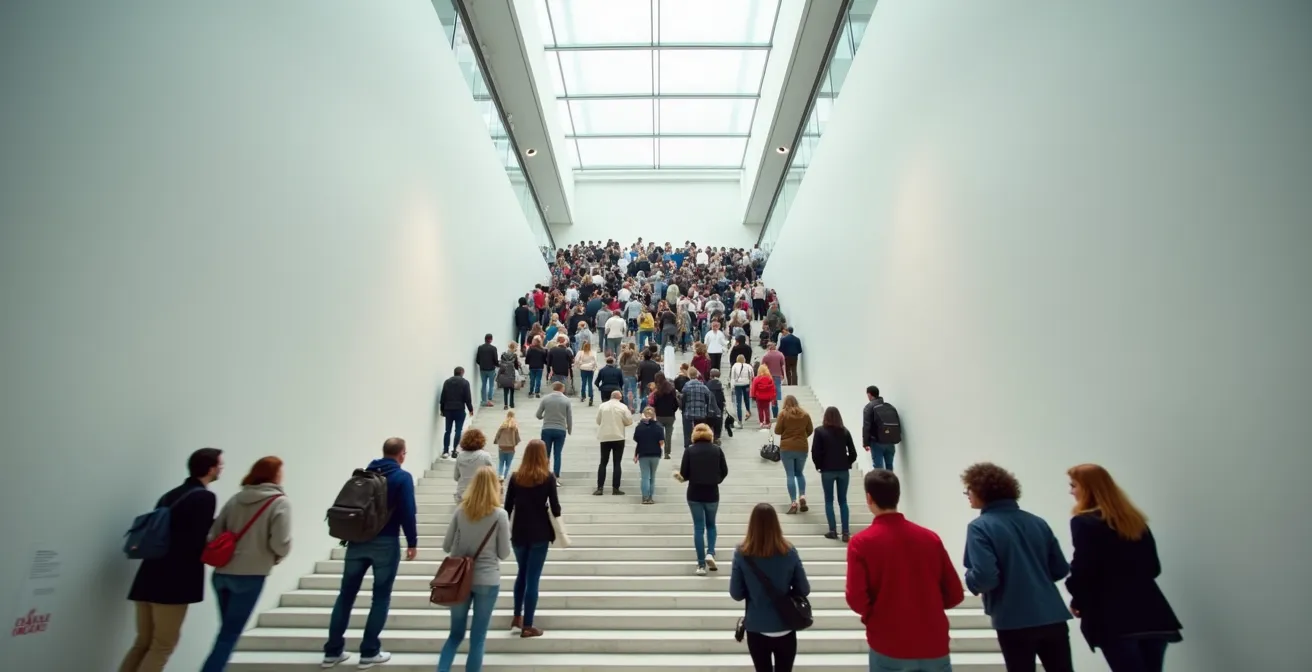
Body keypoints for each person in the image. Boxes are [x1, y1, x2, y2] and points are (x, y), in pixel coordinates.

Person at [1065, 464, 1182, 671]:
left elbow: (1084, 569)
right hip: (1153, 612)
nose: (1071, 491)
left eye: (1073, 485)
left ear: (1087, 488)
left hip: (1113, 617)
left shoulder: (1084, 522)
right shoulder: (1135, 521)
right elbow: (1153, 568)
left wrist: (1077, 599)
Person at [961, 463, 1074, 672]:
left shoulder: (980, 527)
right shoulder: (1037, 522)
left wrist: (970, 580)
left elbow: (986, 577)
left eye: (969, 489)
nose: (967, 494)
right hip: (1052, 614)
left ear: (982, 491)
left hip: (1013, 618)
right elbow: (1059, 568)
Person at [846, 470, 963, 671]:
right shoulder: (930, 538)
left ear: (869, 498)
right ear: (897, 496)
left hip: (889, 641)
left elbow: (856, 598)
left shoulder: (861, 543)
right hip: (933, 641)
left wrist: (876, 616)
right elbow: (954, 593)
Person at [120, 448, 222, 672]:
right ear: (211, 468)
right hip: (174, 580)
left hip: (148, 574)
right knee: (163, 645)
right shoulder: (205, 497)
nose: (221, 469)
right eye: (219, 465)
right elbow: (197, 539)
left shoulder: (171, 494)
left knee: (142, 643)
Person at [321, 438, 419, 669]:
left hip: (357, 541)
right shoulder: (402, 477)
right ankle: (369, 652)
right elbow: (408, 511)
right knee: (381, 597)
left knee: (345, 596)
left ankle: (332, 651)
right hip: (386, 543)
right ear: (402, 454)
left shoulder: (363, 474)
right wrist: (412, 542)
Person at [201, 457, 292, 672]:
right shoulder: (280, 502)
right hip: (250, 574)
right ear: (275, 475)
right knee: (229, 635)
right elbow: (281, 542)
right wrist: (276, 555)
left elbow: (213, 534)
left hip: (222, 573)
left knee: (226, 631)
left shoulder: (236, 499)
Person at [437, 467, 511, 672]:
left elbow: (446, 545)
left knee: (455, 635)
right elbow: (504, 553)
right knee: (478, 639)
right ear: (495, 487)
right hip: (487, 579)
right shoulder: (500, 515)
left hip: (459, 579)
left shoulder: (460, 511)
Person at [729, 503, 811, 672]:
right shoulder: (789, 551)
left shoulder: (742, 553)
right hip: (786, 624)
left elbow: (736, 594)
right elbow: (804, 589)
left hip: (757, 626)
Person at [506, 439, 561, 639]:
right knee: (533, 578)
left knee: (521, 574)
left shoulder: (515, 477)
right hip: (540, 533)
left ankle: (516, 617)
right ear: (543, 455)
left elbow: (507, 507)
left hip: (519, 532)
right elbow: (556, 508)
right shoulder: (548, 477)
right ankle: (528, 625)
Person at [676, 423, 728, 576]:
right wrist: (716, 479)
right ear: (710, 434)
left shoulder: (690, 451)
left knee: (699, 527)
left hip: (694, 493)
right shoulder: (717, 450)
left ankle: (700, 565)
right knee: (711, 525)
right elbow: (724, 470)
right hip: (712, 493)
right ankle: (710, 552)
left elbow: (684, 473)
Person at [810, 407, 858, 541]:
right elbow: (853, 453)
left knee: (829, 500)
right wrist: (847, 462)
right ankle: (846, 532)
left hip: (827, 470)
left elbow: (815, 452)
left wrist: (819, 465)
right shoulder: (845, 431)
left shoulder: (819, 431)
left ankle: (832, 530)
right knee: (843, 501)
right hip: (843, 470)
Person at [773, 395, 813, 515]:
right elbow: (810, 430)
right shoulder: (805, 414)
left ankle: (794, 503)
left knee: (790, 475)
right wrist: (802, 437)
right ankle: (802, 496)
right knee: (799, 473)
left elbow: (777, 431)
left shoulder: (783, 414)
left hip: (787, 448)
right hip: (802, 447)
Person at [594, 390, 633, 495]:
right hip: (618, 436)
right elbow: (629, 421)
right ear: (619, 397)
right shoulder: (623, 407)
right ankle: (615, 488)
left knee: (603, 462)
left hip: (605, 436)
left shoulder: (602, 406)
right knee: (617, 463)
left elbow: (598, 420)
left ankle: (600, 488)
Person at [535, 381, 573, 479]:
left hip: (547, 428)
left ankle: (545, 473)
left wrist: (543, 417)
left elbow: (538, 414)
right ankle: (556, 475)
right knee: (557, 453)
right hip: (560, 429)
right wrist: (569, 429)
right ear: (562, 389)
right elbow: (569, 417)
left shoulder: (545, 399)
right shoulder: (566, 400)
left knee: (546, 453)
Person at [437, 367, 475, 460]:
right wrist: (470, 409)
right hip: (459, 409)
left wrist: (442, 410)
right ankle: (455, 451)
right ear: (462, 372)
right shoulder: (465, 382)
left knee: (447, 431)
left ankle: (445, 451)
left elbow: (443, 397)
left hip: (448, 409)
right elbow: (467, 398)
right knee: (458, 430)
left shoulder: (447, 382)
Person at [632, 408, 666, 504]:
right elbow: (661, 442)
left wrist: (636, 454)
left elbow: (637, 441)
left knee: (645, 476)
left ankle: (645, 497)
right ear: (654, 415)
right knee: (652, 476)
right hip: (655, 454)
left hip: (643, 454)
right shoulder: (659, 427)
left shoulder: (639, 427)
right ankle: (651, 497)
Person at [454, 429, 497, 503]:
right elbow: (494, 475)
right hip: (480, 493)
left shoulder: (460, 456)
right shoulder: (485, 456)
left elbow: (456, 477)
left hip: (462, 493)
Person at [862, 386, 898, 471]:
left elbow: (866, 426)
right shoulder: (889, 407)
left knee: (878, 469)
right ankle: (891, 484)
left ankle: (880, 484)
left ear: (869, 394)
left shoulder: (869, 407)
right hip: (890, 441)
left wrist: (865, 443)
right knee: (889, 467)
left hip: (876, 442)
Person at [650, 373, 680, 459]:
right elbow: (676, 402)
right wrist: (673, 410)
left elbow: (654, 403)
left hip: (659, 415)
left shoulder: (657, 391)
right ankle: (667, 453)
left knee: (659, 435)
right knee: (668, 435)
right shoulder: (671, 389)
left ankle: (658, 451)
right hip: (670, 415)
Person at [492, 412, 521, 481]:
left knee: (501, 462)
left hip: (502, 447)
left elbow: (498, 434)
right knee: (508, 463)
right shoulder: (514, 427)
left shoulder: (503, 426)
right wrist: (515, 443)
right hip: (511, 448)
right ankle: (504, 476)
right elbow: (517, 438)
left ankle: (500, 475)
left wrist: (496, 441)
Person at [706, 368, 730, 441]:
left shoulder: (708, 384)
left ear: (711, 375)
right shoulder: (719, 384)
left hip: (710, 405)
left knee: (710, 419)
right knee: (719, 419)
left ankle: (710, 433)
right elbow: (721, 396)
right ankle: (717, 435)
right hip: (719, 404)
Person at [761, 342, 786, 415]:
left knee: (769, 394)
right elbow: (783, 365)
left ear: (769, 347)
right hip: (778, 376)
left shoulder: (766, 355)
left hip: (768, 377)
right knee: (776, 395)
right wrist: (783, 375)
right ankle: (775, 412)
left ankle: (770, 411)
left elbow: (762, 367)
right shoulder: (780, 354)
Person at [729, 354, 754, 425]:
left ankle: (740, 419)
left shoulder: (734, 366)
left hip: (738, 385)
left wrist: (732, 387)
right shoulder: (748, 366)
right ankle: (748, 411)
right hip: (746, 384)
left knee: (738, 402)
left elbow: (732, 377)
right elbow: (752, 375)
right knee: (747, 399)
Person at [496, 342, 523, 410]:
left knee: (505, 389)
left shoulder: (503, 354)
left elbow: (501, 363)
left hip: (504, 372)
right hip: (511, 373)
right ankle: (512, 403)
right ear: (514, 347)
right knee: (512, 389)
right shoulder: (514, 355)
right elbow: (516, 365)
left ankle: (505, 404)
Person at [475, 333, 499, 408]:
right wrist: (497, 365)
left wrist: (481, 364)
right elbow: (495, 359)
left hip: (482, 369)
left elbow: (477, 359)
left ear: (485, 339)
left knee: (484, 384)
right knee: (491, 384)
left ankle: (484, 400)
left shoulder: (480, 348)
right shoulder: (493, 348)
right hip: (491, 369)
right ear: (491, 339)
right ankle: (490, 399)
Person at [637, 350, 662, 414]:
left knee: (644, 399)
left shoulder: (641, 364)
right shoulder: (656, 365)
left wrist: (638, 380)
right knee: (653, 399)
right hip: (654, 385)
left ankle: (643, 411)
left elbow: (639, 375)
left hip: (644, 384)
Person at [576, 341, 597, 406]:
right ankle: (591, 397)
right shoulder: (593, 353)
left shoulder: (580, 353)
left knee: (583, 382)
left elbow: (576, 360)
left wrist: (579, 365)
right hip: (590, 369)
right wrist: (594, 367)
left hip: (583, 368)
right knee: (590, 383)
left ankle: (583, 396)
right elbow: (595, 361)